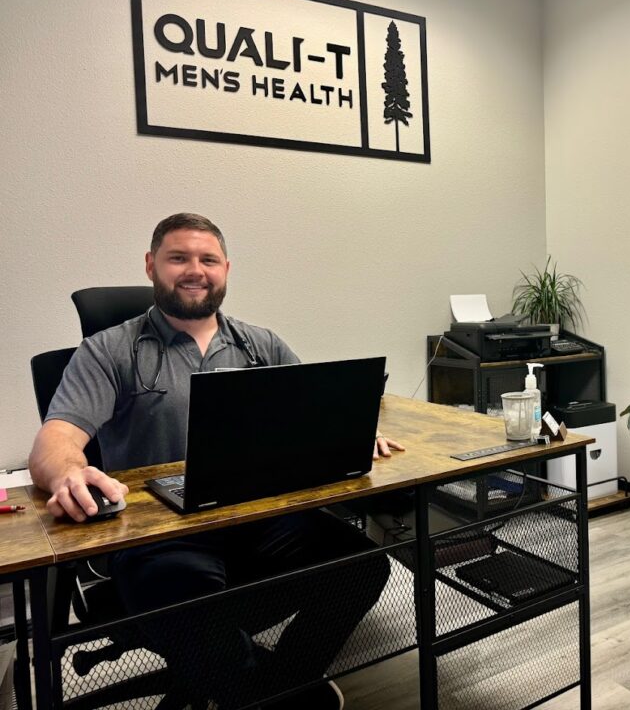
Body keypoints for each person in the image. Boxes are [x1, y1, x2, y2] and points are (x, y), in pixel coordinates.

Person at [29, 213, 403, 710]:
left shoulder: (260, 343)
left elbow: (309, 409)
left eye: (208, 259)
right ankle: (253, 695)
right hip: (162, 536)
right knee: (193, 600)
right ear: (151, 266)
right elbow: (56, 438)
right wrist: (68, 471)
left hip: (257, 518)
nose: (195, 270)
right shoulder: (109, 350)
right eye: (178, 258)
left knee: (362, 567)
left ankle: (280, 685)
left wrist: (352, 430)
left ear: (225, 269)